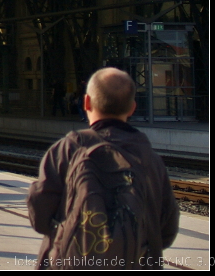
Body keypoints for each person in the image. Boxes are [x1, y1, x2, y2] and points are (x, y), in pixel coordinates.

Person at [26, 67, 179, 269]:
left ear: (86, 102)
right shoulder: (150, 160)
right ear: (132, 107)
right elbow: (166, 230)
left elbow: (40, 215)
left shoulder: (68, 149)